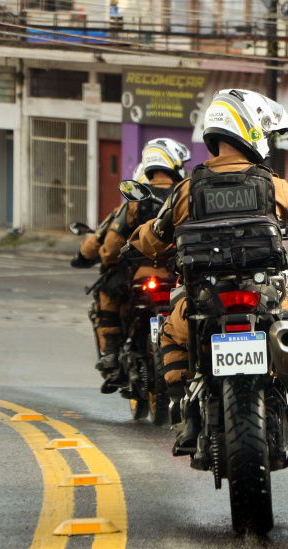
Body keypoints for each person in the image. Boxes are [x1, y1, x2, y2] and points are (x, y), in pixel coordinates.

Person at [129, 89, 288, 448]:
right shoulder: (271, 183)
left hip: (204, 300)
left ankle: (183, 414)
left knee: (169, 334)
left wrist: (135, 238)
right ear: (250, 129)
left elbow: (151, 240)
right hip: (266, 296)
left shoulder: (187, 189)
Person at [71, 138, 191, 393]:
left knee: (107, 293)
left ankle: (111, 356)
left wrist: (110, 261)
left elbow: (111, 246)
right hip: (180, 275)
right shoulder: (185, 194)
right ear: (174, 163)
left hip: (142, 275)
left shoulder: (136, 200)